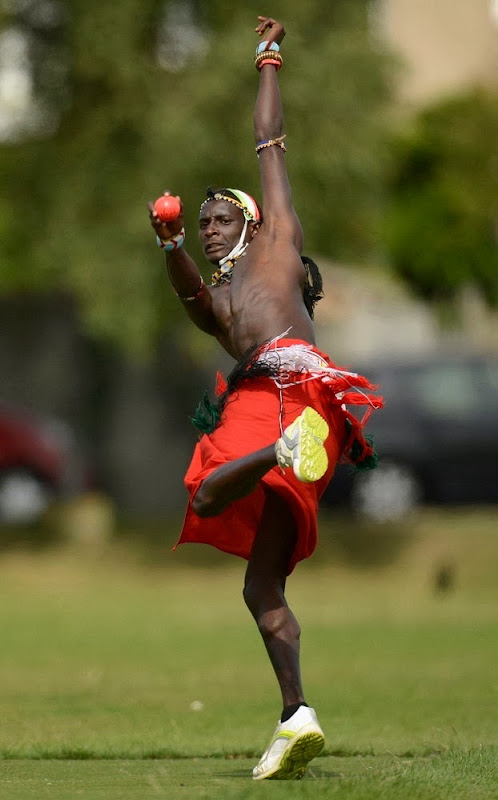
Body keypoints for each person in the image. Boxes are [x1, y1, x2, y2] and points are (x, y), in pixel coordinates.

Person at [149, 15, 382, 781]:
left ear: (251, 222)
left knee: (206, 495)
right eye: (205, 223)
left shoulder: (277, 237)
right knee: (261, 585)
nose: (213, 230)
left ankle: (273, 452)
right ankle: (296, 717)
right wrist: (171, 244)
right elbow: (192, 305)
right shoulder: (222, 302)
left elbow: (270, 143)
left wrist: (268, 59)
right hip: (301, 414)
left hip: (291, 392)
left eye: (220, 221)